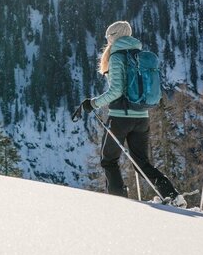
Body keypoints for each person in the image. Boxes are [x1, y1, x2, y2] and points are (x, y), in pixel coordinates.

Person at [78, 20, 183, 204]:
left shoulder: (117, 57)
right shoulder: (139, 55)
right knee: (141, 162)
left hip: (120, 118)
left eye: (108, 38)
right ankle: (172, 194)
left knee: (109, 160)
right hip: (142, 118)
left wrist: (93, 104)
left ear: (114, 37)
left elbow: (116, 91)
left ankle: (119, 202)